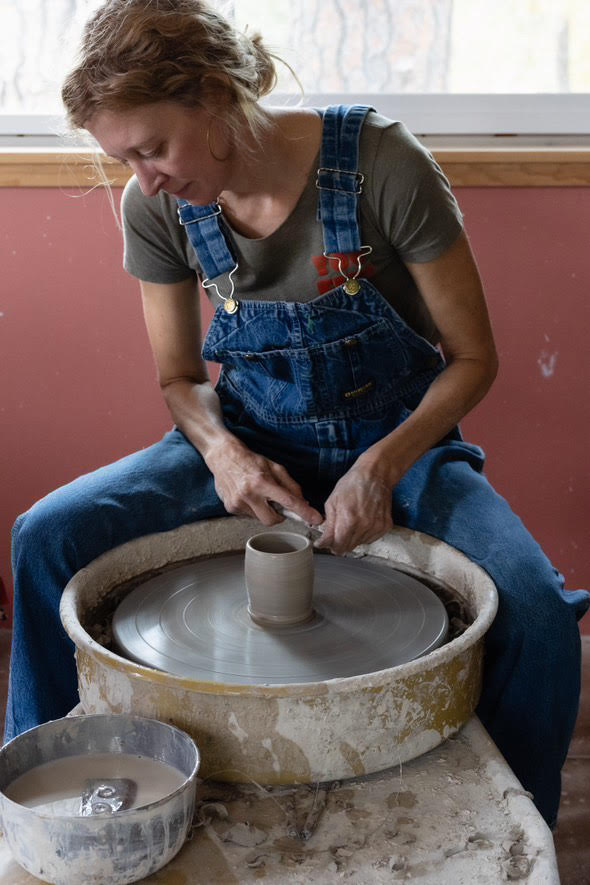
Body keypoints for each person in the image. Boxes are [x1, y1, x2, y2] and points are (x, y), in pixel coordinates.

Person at [7, 0, 588, 829]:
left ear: (214, 97)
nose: (145, 178)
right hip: (246, 440)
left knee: (538, 614)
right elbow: (179, 378)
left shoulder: (381, 163)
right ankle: (46, 809)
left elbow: (473, 359)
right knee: (44, 535)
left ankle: (507, 834)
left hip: (400, 440)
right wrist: (222, 455)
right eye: (125, 159)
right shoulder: (160, 206)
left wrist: (383, 463)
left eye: (152, 147)